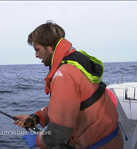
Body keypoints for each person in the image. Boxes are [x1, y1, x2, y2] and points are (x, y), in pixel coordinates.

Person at [14, 21, 124, 149]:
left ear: (50, 47)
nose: (36, 55)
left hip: (97, 144)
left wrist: (39, 140)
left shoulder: (64, 75)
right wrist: (37, 117)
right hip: (111, 138)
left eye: (37, 49)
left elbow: (60, 131)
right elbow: (69, 104)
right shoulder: (75, 62)